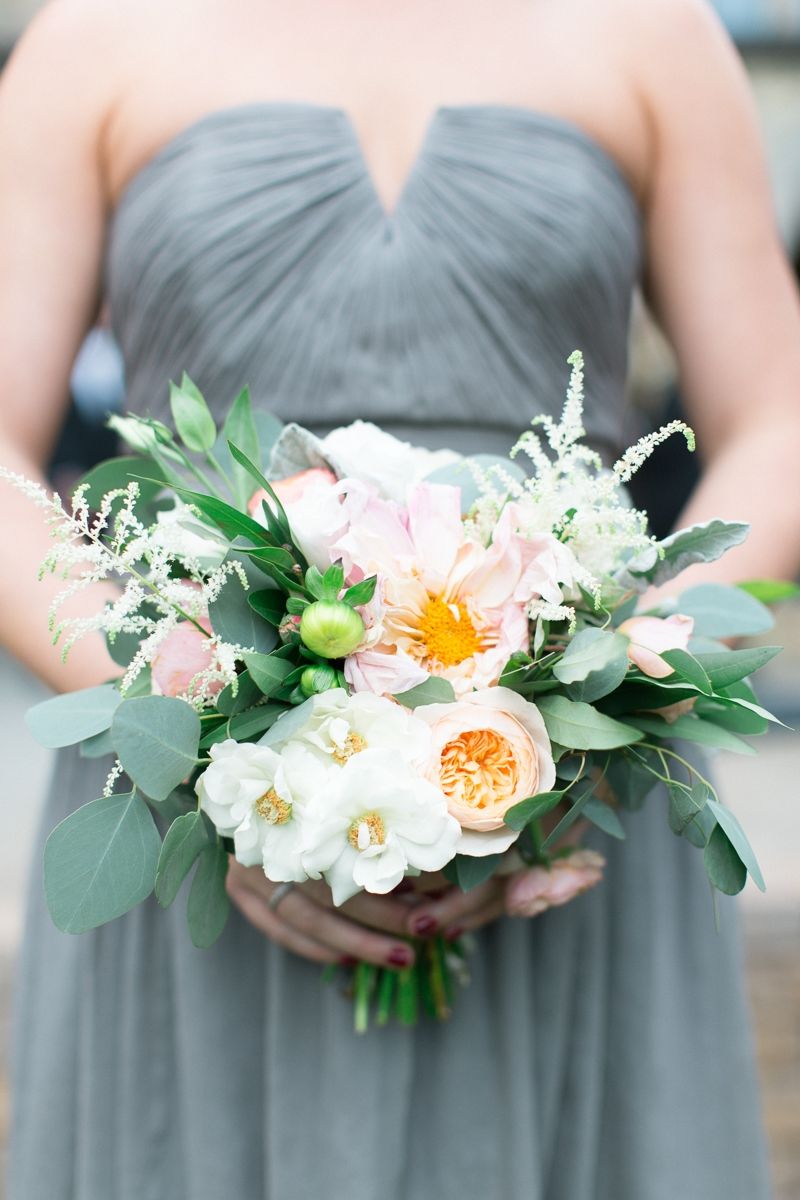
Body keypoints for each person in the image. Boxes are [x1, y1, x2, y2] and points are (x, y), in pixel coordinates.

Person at [2, 0, 799, 1196]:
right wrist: (197, 737)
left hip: (569, 791)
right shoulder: (93, 33)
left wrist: (612, 689)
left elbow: (778, 418)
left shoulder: (653, 30)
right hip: (191, 799)